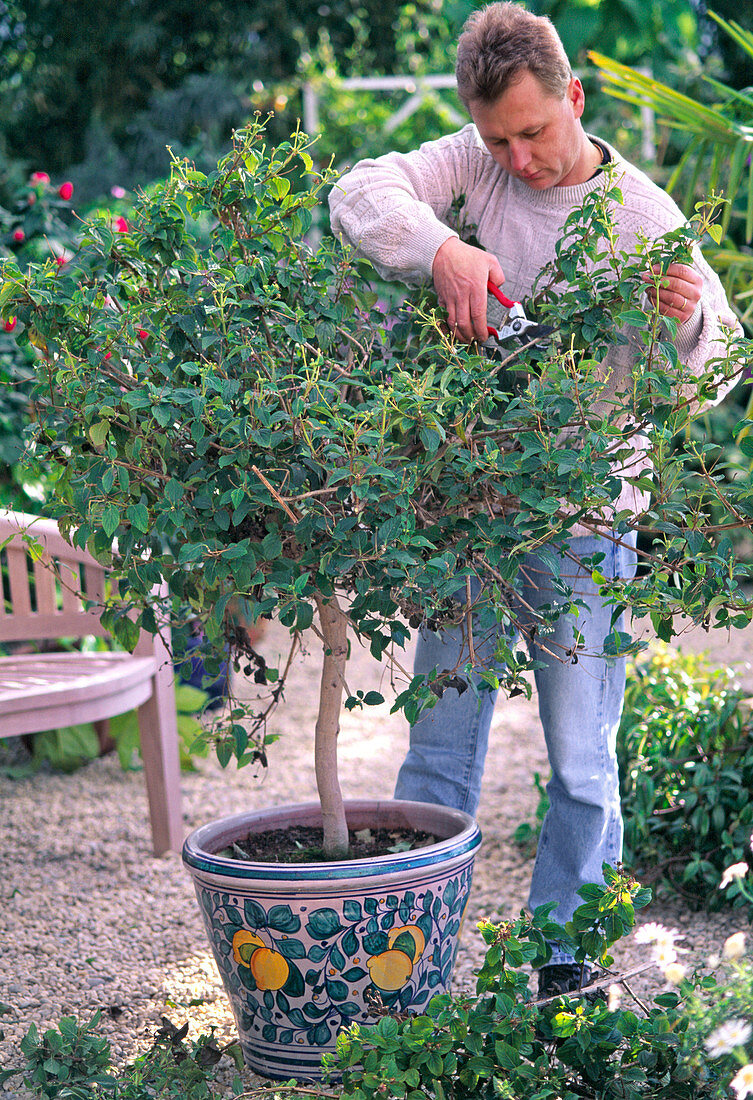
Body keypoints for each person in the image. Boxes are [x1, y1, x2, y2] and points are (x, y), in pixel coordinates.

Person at [328, 1, 738, 997]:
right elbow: (358, 190)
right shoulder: (469, 163)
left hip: (585, 522)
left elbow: (717, 371)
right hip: (468, 510)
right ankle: (410, 964)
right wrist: (443, 250)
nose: (518, 158)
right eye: (499, 137)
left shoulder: (646, 219)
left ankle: (566, 962)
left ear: (575, 97)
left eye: (535, 132)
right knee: (437, 748)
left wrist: (687, 328)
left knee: (582, 762)